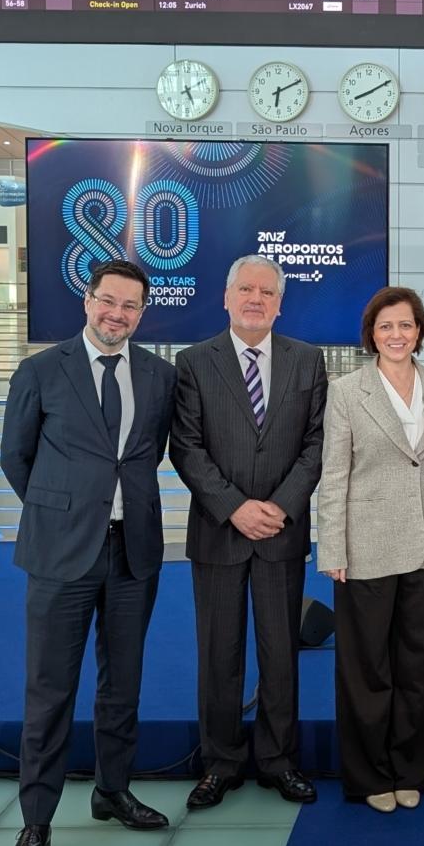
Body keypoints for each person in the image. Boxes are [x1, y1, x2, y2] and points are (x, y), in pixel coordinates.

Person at [0, 259, 178, 846]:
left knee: (122, 684)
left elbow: (148, 455)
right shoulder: (41, 370)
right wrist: (66, 511)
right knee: (50, 689)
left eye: (129, 306)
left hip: (133, 553)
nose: (116, 314)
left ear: (142, 313)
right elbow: (16, 457)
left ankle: (113, 790)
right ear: (87, 300)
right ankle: (37, 817)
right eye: (108, 301)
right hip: (61, 554)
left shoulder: (158, 376)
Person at [171, 255, 327, 809]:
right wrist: (235, 507)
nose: (256, 299)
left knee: (280, 653)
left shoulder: (308, 360)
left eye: (267, 292)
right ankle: (220, 762)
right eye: (246, 289)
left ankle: (279, 761)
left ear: (280, 304)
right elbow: (186, 446)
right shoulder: (193, 362)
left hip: (281, 532)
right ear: (226, 297)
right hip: (219, 532)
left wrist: (281, 506)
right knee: (219, 654)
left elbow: (317, 444)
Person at [318, 287, 424, 813]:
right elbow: (334, 474)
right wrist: (332, 546)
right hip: (365, 543)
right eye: (386, 326)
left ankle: (410, 768)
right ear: (371, 335)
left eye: (406, 325)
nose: (397, 335)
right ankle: (369, 774)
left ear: (419, 331)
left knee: (417, 665)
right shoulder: (347, 391)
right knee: (367, 667)